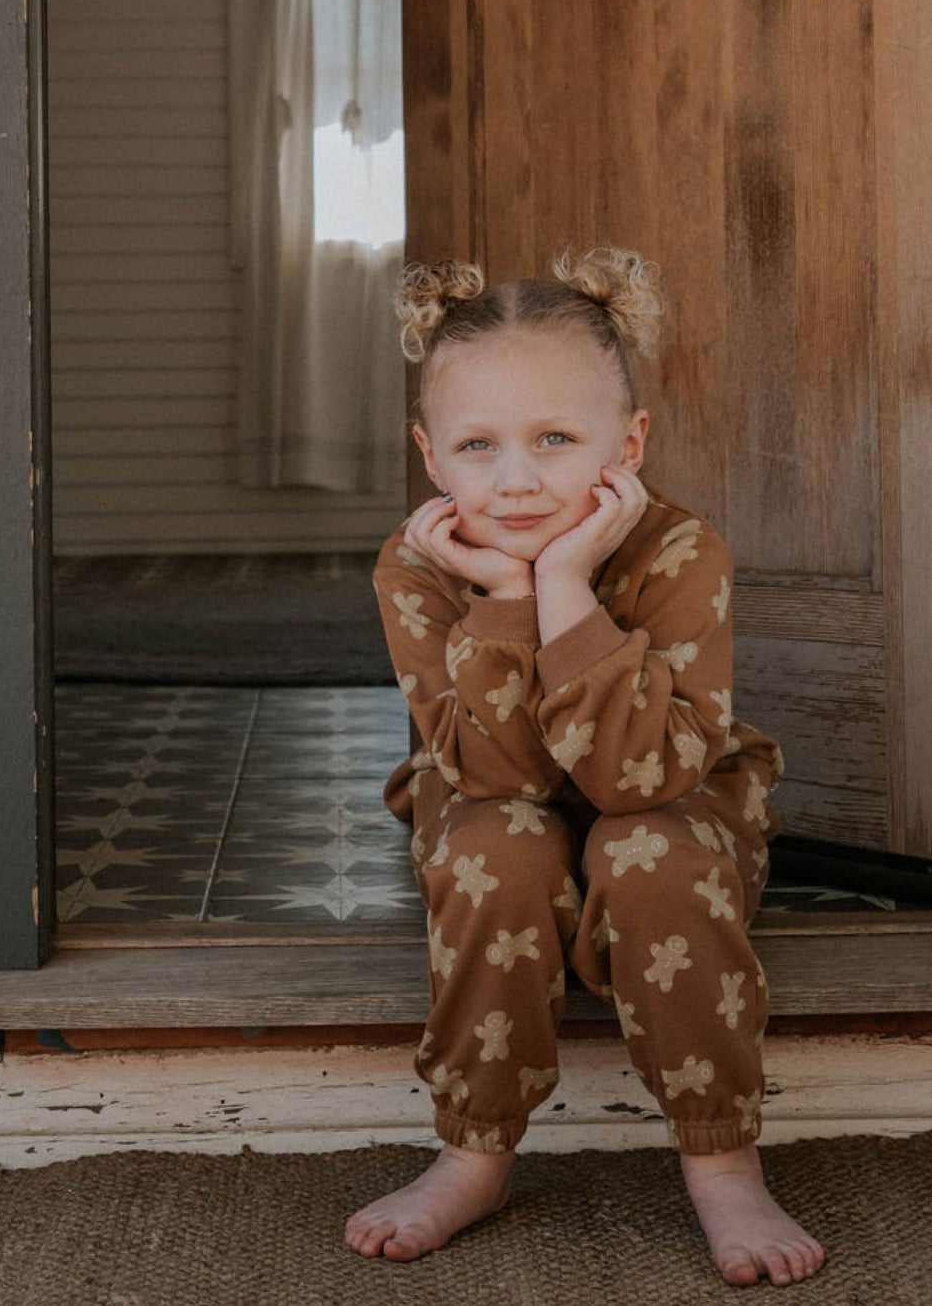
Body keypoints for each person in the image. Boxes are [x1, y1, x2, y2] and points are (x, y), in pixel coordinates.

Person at [344, 246, 827, 1287]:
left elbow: (637, 780)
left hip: (666, 792)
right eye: (478, 444)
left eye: (555, 439)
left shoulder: (677, 552)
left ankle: (721, 1157)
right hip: (487, 790)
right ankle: (473, 1149)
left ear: (629, 440)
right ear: (431, 456)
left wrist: (562, 580)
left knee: (649, 850)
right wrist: (502, 597)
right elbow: (498, 773)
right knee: (500, 848)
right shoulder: (418, 565)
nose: (515, 479)